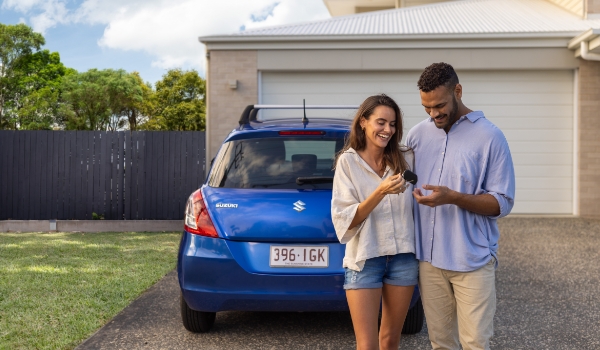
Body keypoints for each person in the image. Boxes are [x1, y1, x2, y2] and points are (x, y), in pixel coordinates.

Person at [406, 62, 515, 350]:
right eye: (426, 107)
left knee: (475, 343)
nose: (433, 114)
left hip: (473, 260)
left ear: (458, 91)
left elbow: (502, 203)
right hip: (429, 261)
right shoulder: (417, 135)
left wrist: (453, 197)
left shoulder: (491, 137)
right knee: (441, 343)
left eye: (439, 105)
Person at [331, 94, 417, 350]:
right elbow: (345, 221)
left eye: (392, 124)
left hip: (403, 257)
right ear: (363, 122)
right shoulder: (348, 162)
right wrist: (380, 191)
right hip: (365, 258)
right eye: (381, 122)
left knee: (390, 341)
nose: (388, 130)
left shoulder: (406, 158)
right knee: (367, 345)